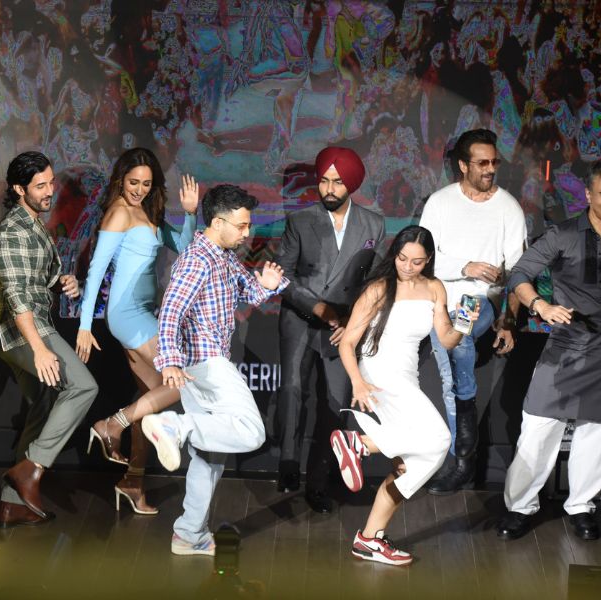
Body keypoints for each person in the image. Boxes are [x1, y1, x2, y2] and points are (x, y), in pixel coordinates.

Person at [141, 184, 288, 556]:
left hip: (200, 367)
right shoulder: (197, 260)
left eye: (248, 225)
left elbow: (246, 292)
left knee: (209, 459)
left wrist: (266, 286)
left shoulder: (223, 256)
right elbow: (170, 311)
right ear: (218, 222)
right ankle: (176, 426)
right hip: (207, 364)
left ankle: (188, 534)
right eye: (241, 226)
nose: (247, 233)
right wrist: (169, 360)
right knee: (251, 432)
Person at [497, 157, 601, 541]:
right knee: (538, 428)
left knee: (600, 433)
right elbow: (520, 274)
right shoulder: (563, 234)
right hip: (565, 345)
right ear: (588, 194)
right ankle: (520, 507)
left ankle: (581, 507)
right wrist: (540, 305)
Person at [330, 225, 478, 565]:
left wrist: (464, 323)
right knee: (440, 439)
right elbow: (348, 343)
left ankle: (369, 539)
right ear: (394, 254)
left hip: (407, 376)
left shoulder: (435, 288)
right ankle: (361, 445)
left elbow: (447, 338)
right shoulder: (379, 288)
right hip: (379, 371)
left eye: (417, 261)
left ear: (428, 260)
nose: (408, 267)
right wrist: (357, 382)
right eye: (402, 258)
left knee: (410, 465)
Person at [75, 147, 198, 515]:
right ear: (120, 180)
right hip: (127, 314)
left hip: (145, 312)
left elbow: (185, 247)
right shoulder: (119, 212)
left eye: (146, 184)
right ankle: (111, 425)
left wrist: (191, 213)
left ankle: (132, 481)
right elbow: (96, 270)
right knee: (180, 382)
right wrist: (84, 325)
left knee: (150, 402)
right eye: (133, 182)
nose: (139, 189)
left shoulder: (149, 212)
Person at [0, 151, 98, 529]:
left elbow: (39, 277)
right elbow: (17, 298)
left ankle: (12, 505)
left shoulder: (34, 225)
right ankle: (31, 469)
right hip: (24, 332)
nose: (50, 191)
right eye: (40, 186)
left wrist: (63, 281)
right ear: (19, 189)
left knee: (42, 405)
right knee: (82, 386)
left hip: (31, 327)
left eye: (51, 182)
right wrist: (39, 350)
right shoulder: (11, 233)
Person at [275, 146, 384, 513]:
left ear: (351, 184)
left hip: (342, 327)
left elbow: (375, 283)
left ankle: (318, 483)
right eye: (323, 181)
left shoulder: (373, 224)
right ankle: (288, 463)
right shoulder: (300, 221)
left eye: (337, 182)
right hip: (301, 317)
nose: (329, 189)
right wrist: (318, 307)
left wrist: (352, 322)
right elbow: (284, 277)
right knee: (292, 388)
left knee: (334, 404)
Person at [419, 128, 526, 494]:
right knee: (448, 377)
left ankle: (462, 459)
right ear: (463, 165)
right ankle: (459, 458)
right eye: (482, 163)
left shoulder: (508, 208)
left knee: (459, 336)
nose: (490, 169)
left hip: (475, 301)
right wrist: (466, 266)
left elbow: (518, 274)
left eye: (494, 162)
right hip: (437, 300)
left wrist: (507, 320)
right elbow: (422, 258)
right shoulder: (439, 203)